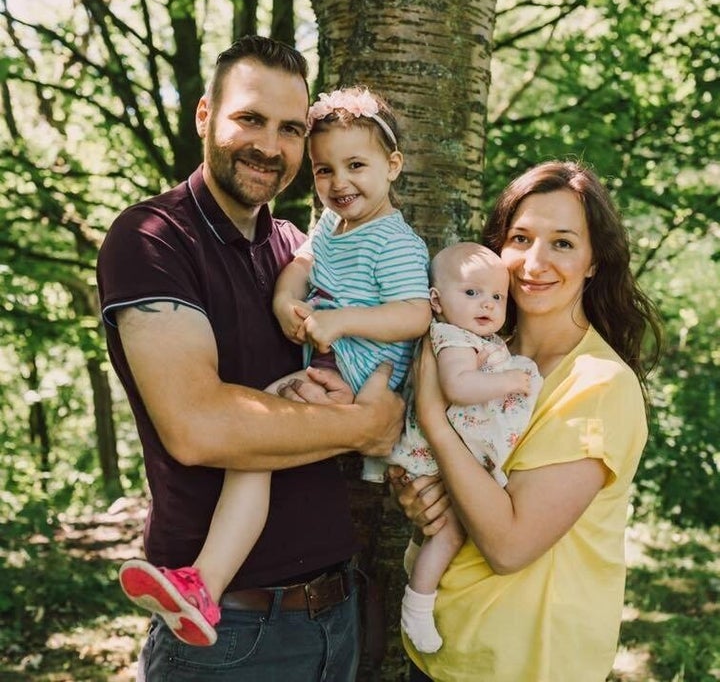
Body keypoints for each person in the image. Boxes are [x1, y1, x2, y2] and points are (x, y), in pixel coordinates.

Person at [96, 36, 406, 682]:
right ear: (205, 116)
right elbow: (199, 428)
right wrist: (367, 426)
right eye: (250, 119)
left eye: (291, 129)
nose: (270, 145)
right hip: (229, 636)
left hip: (339, 614)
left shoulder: (300, 248)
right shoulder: (152, 239)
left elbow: (385, 343)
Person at [388, 160, 663, 682]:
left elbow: (510, 545)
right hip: (439, 650)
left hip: (525, 664)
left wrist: (434, 419)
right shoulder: (477, 352)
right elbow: (440, 469)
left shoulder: (598, 384)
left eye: (562, 242)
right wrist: (414, 490)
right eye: (520, 238)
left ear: (593, 262)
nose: (534, 262)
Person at [390, 242, 542, 653]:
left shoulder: (475, 337)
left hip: (447, 449)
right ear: (436, 301)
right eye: (472, 293)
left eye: (497, 296)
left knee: (450, 526)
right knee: (453, 529)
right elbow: (459, 387)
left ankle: (422, 583)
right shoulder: (452, 338)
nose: (487, 305)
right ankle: (418, 604)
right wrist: (510, 381)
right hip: (430, 455)